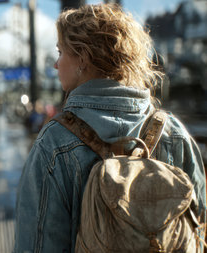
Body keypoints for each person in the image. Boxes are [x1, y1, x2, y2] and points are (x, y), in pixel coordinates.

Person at [14, 3, 206, 252]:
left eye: (60, 52)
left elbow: (36, 244)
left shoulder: (54, 143)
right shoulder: (174, 133)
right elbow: (198, 227)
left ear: (82, 58)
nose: (55, 64)